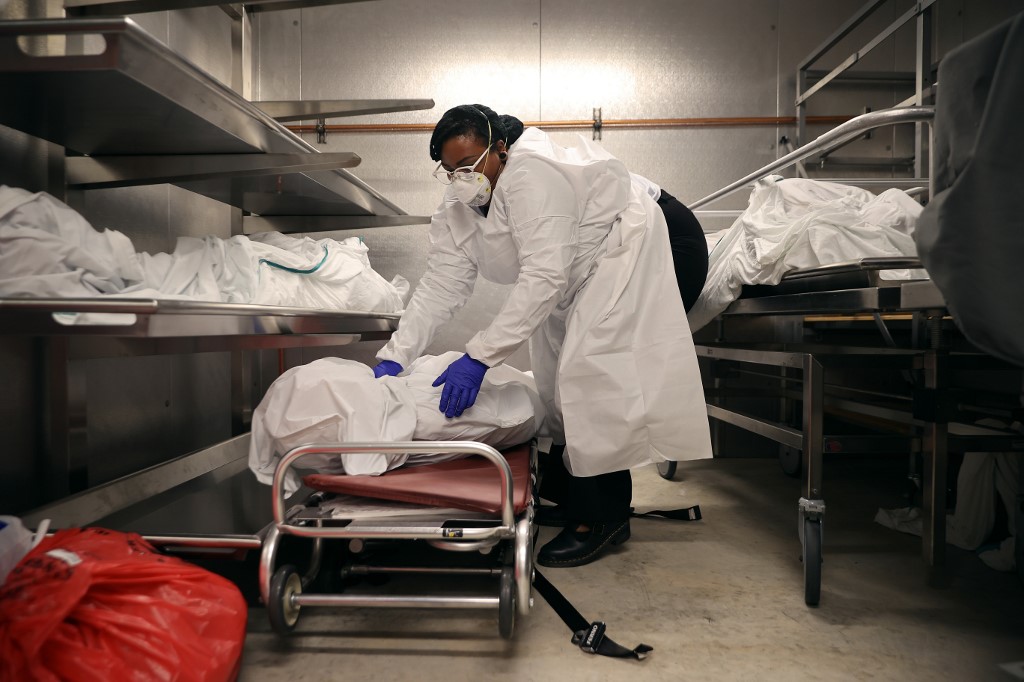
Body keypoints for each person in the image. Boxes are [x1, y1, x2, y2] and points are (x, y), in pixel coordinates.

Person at [372, 104, 712, 567]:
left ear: (500, 148)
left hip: (654, 238)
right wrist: (396, 354)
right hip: (581, 270)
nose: (460, 179)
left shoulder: (533, 174)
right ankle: (574, 498)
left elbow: (544, 276)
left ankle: (602, 518)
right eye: (450, 171)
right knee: (554, 380)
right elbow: (440, 285)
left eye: (468, 165)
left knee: (591, 375)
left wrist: (479, 357)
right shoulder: (458, 206)